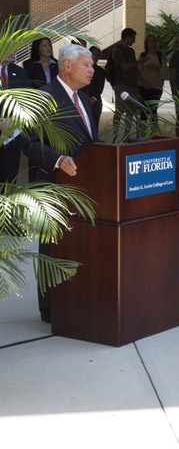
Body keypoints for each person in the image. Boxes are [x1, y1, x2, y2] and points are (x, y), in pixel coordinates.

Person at [22, 44, 99, 322]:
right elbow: (28, 143)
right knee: (50, 247)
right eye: (87, 65)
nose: (92, 70)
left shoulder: (84, 100)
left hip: (83, 188)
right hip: (52, 187)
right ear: (67, 66)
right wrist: (57, 160)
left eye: (92, 65)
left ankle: (76, 297)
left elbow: (92, 143)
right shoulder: (44, 98)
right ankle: (50, 307)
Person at [0, 52, 31, 183]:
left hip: (11, 138)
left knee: (9, 182)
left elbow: (29, 104)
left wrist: (15, 120)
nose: (12, 52)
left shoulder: (20, 73)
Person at [111, 27, 147, 134]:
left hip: (133, 84)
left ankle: (127, 134)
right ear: (127, 37)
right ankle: (115, 133)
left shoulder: (131, 51)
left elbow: (134, 68)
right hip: (122, 84)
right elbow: (125, 67)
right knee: (120, 110)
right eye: (133, 38)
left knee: (131, 111)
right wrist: (139, 62)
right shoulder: (117, 51)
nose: (134, 41)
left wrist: (141, 79)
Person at [137, 34, 169, 123]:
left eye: (153, 41)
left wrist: (157, 68)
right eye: (149, 41)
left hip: (156, 87)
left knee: (153, 110)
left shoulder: (160, 55)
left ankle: (153, 133)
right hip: (143, 86)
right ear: (146, 43)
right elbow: (138, 71)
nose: (151, 43)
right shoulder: (143, 55)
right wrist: (144, 82)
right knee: (143, 110)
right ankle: (143, 134)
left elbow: (165, 72)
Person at [81, 46, 106, 131]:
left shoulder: (101, 71)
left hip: (95, 102)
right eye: (93, 54)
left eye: (97, 55)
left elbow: (100, 87)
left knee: (94, 127)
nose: (95, 57)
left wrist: (93, 99)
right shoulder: (80, 69)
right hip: (81, 100)